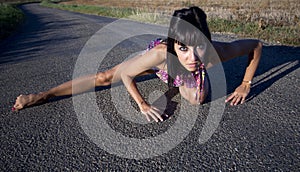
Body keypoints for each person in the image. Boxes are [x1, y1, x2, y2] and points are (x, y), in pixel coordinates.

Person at [13, 6, 262, 122]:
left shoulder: (215, 52)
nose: (192, 57)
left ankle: (174, 78)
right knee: (105, 77)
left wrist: (246, 84)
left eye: (200, 46)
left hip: (178, 72)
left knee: (197, 99)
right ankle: (42, 95)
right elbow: (128, 76)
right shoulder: (161, 54)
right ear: (174, 44)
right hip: (161, 63)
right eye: (184, 48)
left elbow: (256, 45)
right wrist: (142, 104)